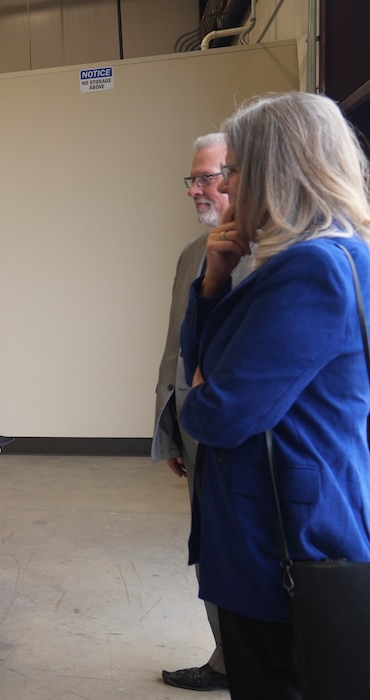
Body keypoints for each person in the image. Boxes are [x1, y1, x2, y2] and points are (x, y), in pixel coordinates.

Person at [179, 91, 370, 698]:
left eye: (236, 171)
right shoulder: (304, 260)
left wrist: (199, 395)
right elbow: (209, 373)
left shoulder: (315, 268)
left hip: (284, 540)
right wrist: (215, 285)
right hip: (273, 529)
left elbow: (217, 414)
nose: (228, 185)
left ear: (273, 171)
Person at [154, 133, 229, 692]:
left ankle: (267, 659)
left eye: (206, 177)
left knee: (250, 552)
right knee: (210, 549)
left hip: (247, 437)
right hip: (197, 429)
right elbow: (176, 348)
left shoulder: (275, 252)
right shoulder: (190, 255)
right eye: (192, 179)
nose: (195, 190)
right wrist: (171, 424)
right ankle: (228, 658)